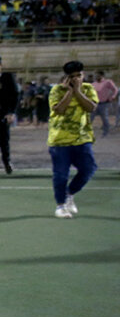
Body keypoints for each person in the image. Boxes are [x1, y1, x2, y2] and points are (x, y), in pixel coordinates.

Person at [48, 60, 98, 219]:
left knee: (88, 169)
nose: (76, 79)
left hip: (82, 138)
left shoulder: (88, 89)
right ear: (66, 77)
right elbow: (59, 110)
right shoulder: (56, 90)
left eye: (79, 75)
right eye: (73, 76)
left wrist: (78, 91)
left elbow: (91, 108)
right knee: (61, 174)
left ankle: (70, 193)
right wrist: (70, 92)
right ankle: (60, 206)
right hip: (60, 140)